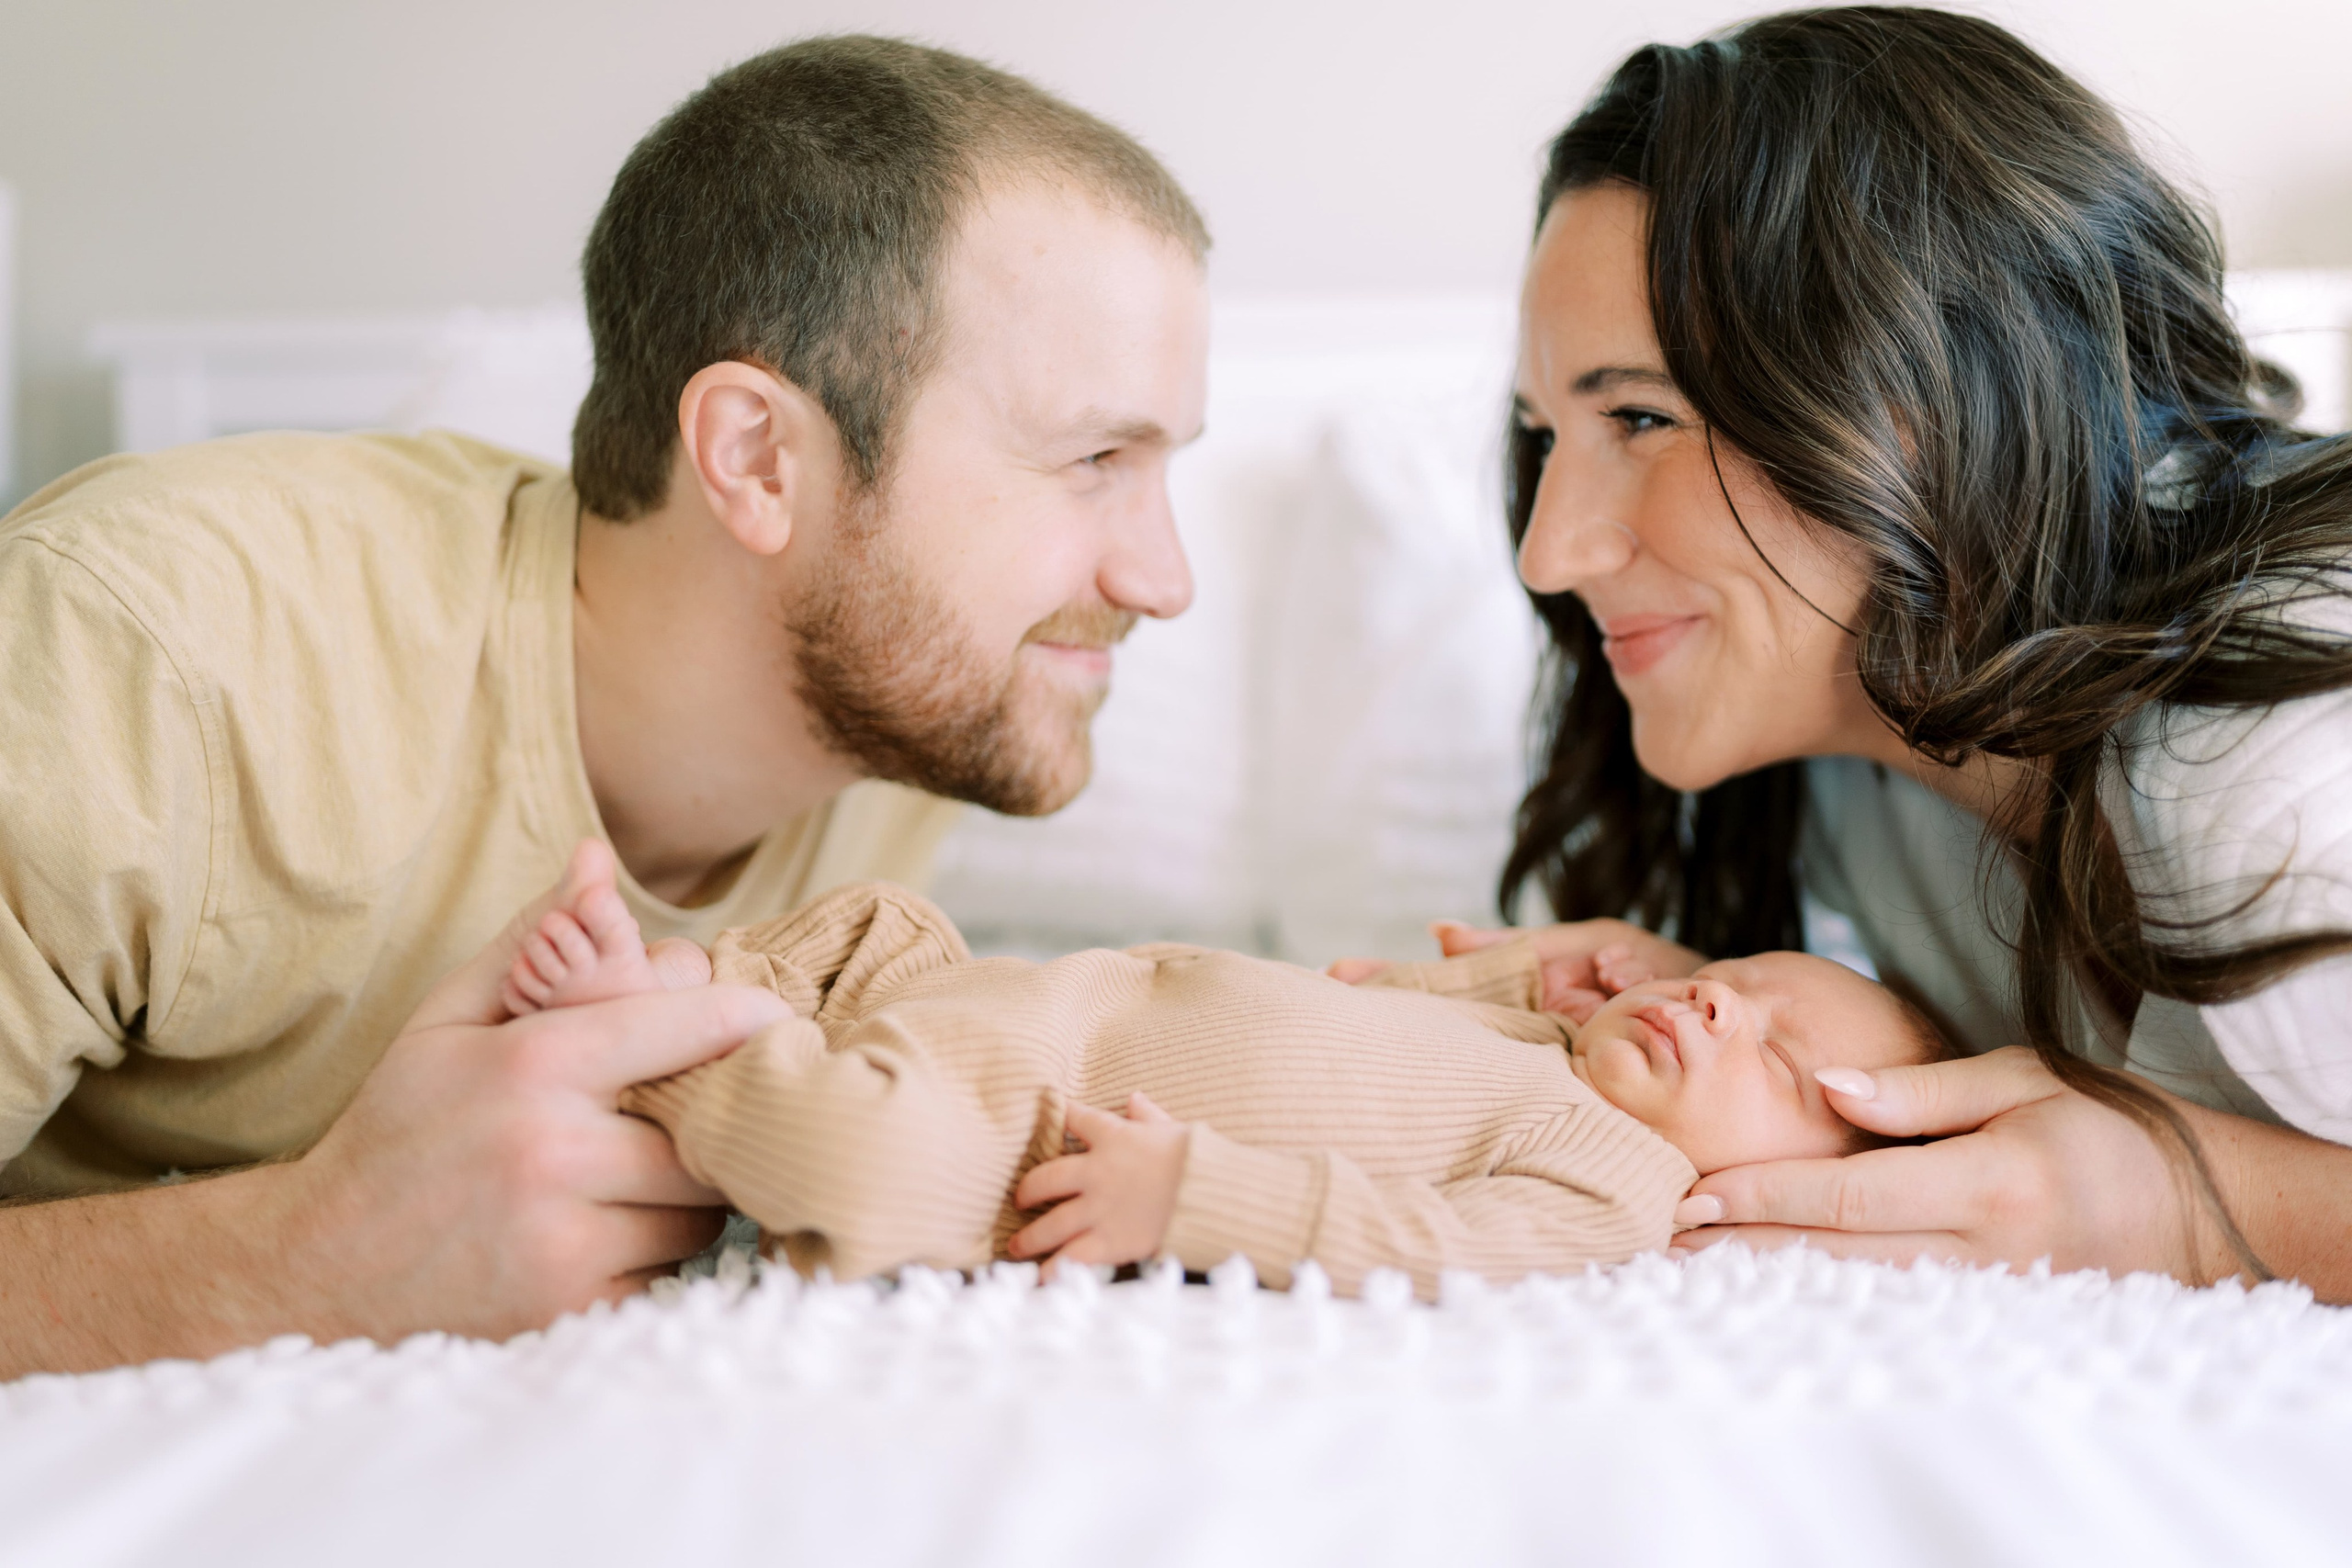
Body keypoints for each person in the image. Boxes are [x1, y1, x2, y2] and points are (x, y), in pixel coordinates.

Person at [0, 36, 1210, 1375]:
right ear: (757, 459)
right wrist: (297, 1255)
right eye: (1096, 458)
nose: (1164, 579)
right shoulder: (148, 649)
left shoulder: (900, 739)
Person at [1375, 6, 2352, 1295]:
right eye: (1548, 435)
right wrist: (1757, 1026)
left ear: (1928, 396)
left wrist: (2180, 1203)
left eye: (1641, 416)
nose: (1548, 552)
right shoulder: (1867, 755)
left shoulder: (2274, 765)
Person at [466, 841, 1944, 1298]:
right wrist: (1522, 967)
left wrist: (1197, 1195)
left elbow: (1425, 1249)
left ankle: (661, 1047)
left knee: (869, 1167)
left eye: (1783, 1059)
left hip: (1032, 1132)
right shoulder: (1551, 1040)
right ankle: (716, 985)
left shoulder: (1615, 1179)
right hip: (1031, 998)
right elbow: (1381, 1000)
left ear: (1784, 1180)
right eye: (1740, 986)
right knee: (880, 927)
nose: (1723, 1015)